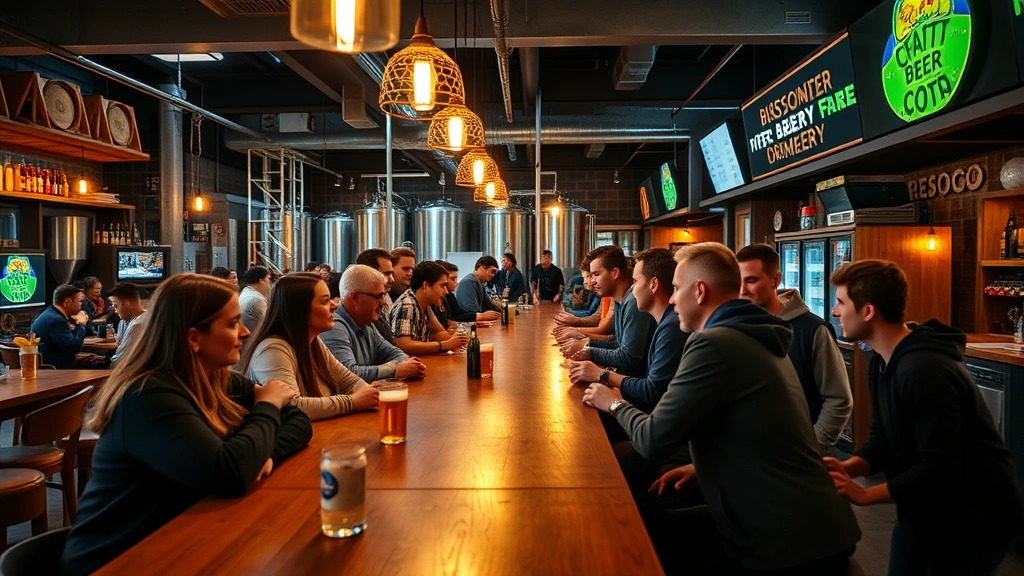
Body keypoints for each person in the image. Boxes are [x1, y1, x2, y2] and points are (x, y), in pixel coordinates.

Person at [583, 242, 860, 574]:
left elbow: (652, 440)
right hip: (810, 524)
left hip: (784, 539)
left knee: (634, 532)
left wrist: (611, 401)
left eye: (677, 289)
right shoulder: (756, 334)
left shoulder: (714, 343)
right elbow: (760, 433)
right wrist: (703, 467)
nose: (671, 300)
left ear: (700, 291)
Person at [59, 274, 312, 576]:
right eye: (232, 324)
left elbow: (298, 421)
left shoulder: (217, 378)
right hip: (119, 560)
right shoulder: (148, 396)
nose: (245, 332)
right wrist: (268, 406)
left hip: (183, 543)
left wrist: (264, 455)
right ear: (194, 338)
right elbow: (229, 473)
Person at [826, 260, 1024, 575]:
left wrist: (865, 494)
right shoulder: (880, 360)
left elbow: (941, 467)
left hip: (973, 518)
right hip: (925, 508)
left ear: (868, 311)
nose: (835, 312)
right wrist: (849, 468)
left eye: (841, 302)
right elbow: (882, 436)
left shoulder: (923, 369)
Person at [736, 244, 853, 453]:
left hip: (796, 462)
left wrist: (810, 448)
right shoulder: (734, 329)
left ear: (775, 279)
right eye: (739, 281)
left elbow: (839, 399)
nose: (743, 289)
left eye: (751, 280)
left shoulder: (813, 331)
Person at [241, 273, 378, 421]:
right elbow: (292, 406)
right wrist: (352, 402)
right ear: (300, 310)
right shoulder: (272, 350)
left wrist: (369, 395)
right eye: (325, 301)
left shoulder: (313, 341)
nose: (335, 305)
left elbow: (347, 380)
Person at [570, 248, 687, 413]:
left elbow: (650, 390)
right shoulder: (667, 322)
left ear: (653, 284)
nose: (633, 289)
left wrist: (603, 377)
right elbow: (618, 342)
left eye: (636, 281)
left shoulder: (671, 326)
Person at [321, 264, 425, 382]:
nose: (384, 303)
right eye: (378, 296)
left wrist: (393, 368)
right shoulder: (334, 327)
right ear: (355, 297)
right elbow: (347, 374)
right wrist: (394, 370)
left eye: (384, 295)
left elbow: (398, 354)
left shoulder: (367, 324)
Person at [563, 246, 654, 376]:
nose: (592, 282)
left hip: (631, 385)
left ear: (615, 273)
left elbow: (629, 358)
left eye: (596, 274)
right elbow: (617, 343)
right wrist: (587, 344)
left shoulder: (634, 302)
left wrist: (590, 352)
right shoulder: (619, 300)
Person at [390, 261, 469, 356]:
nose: (446, 291)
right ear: (426, 285)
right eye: (442, 285)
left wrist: (460, 339)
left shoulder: (425, 305)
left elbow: (439, 333)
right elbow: (404, 345)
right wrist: (444, 345)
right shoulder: (408, 304)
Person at [30, 284, 89, 369]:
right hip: (58, 372)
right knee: (105, 361)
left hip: (52, 365)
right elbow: (75, 347)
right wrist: (81, 324)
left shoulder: (49, 314)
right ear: (68, 302)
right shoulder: (56, 320)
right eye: (80, 301)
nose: (81, 305)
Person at [434, 261, 499, 325]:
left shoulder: (449, 295)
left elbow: (458, 315)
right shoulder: (468, 282)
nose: (456, 282)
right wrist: (482, 316)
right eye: (453, 278)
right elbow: (469, 311)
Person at [356, 248, 399, 344]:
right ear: (369, 273)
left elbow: (389, 348)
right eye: (387, 274)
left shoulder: (386, 297)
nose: (392, 280)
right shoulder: (357, 311)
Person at [108, 282, 148, 368]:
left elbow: (119, 362)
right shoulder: (123, 322)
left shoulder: (139, 324)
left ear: (126, 304)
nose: (114, 310)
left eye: (115, 306)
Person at [239, 265, 271, 334]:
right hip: (252, 341)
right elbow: (268, 324)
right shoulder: (256, 299)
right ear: (261, 280)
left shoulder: (245, 292)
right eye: (268, 279)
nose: (269, 283)